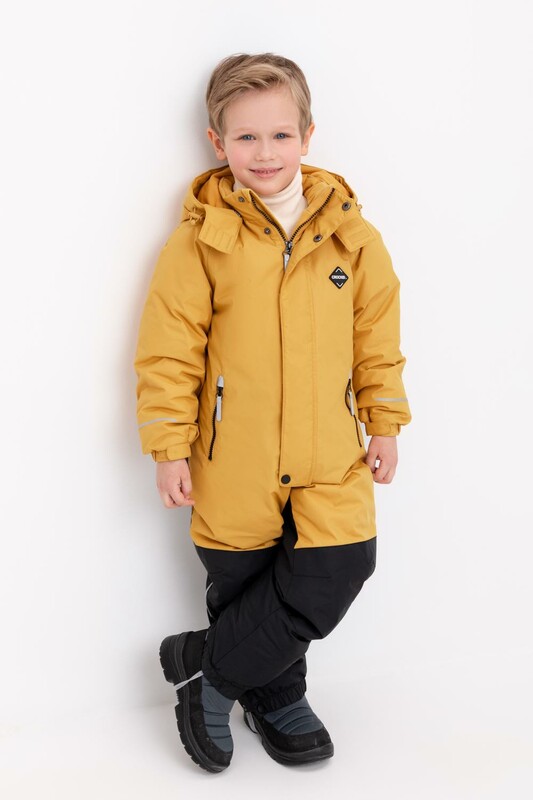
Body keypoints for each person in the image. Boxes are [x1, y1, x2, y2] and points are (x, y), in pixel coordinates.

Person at [134, 52, 411, 773]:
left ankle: (210, 669)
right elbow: (169, 351)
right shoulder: (201, 240)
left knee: (342, 563)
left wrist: (384, 420)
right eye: (246, 137)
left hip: (329, 455)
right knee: (244, 582)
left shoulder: (353, 237)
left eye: (281, 135)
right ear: (217, 142)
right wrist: (168, 445)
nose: (265, 153)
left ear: (308, 136)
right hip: (234, 457)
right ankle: (278, 696)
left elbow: (377, 341)